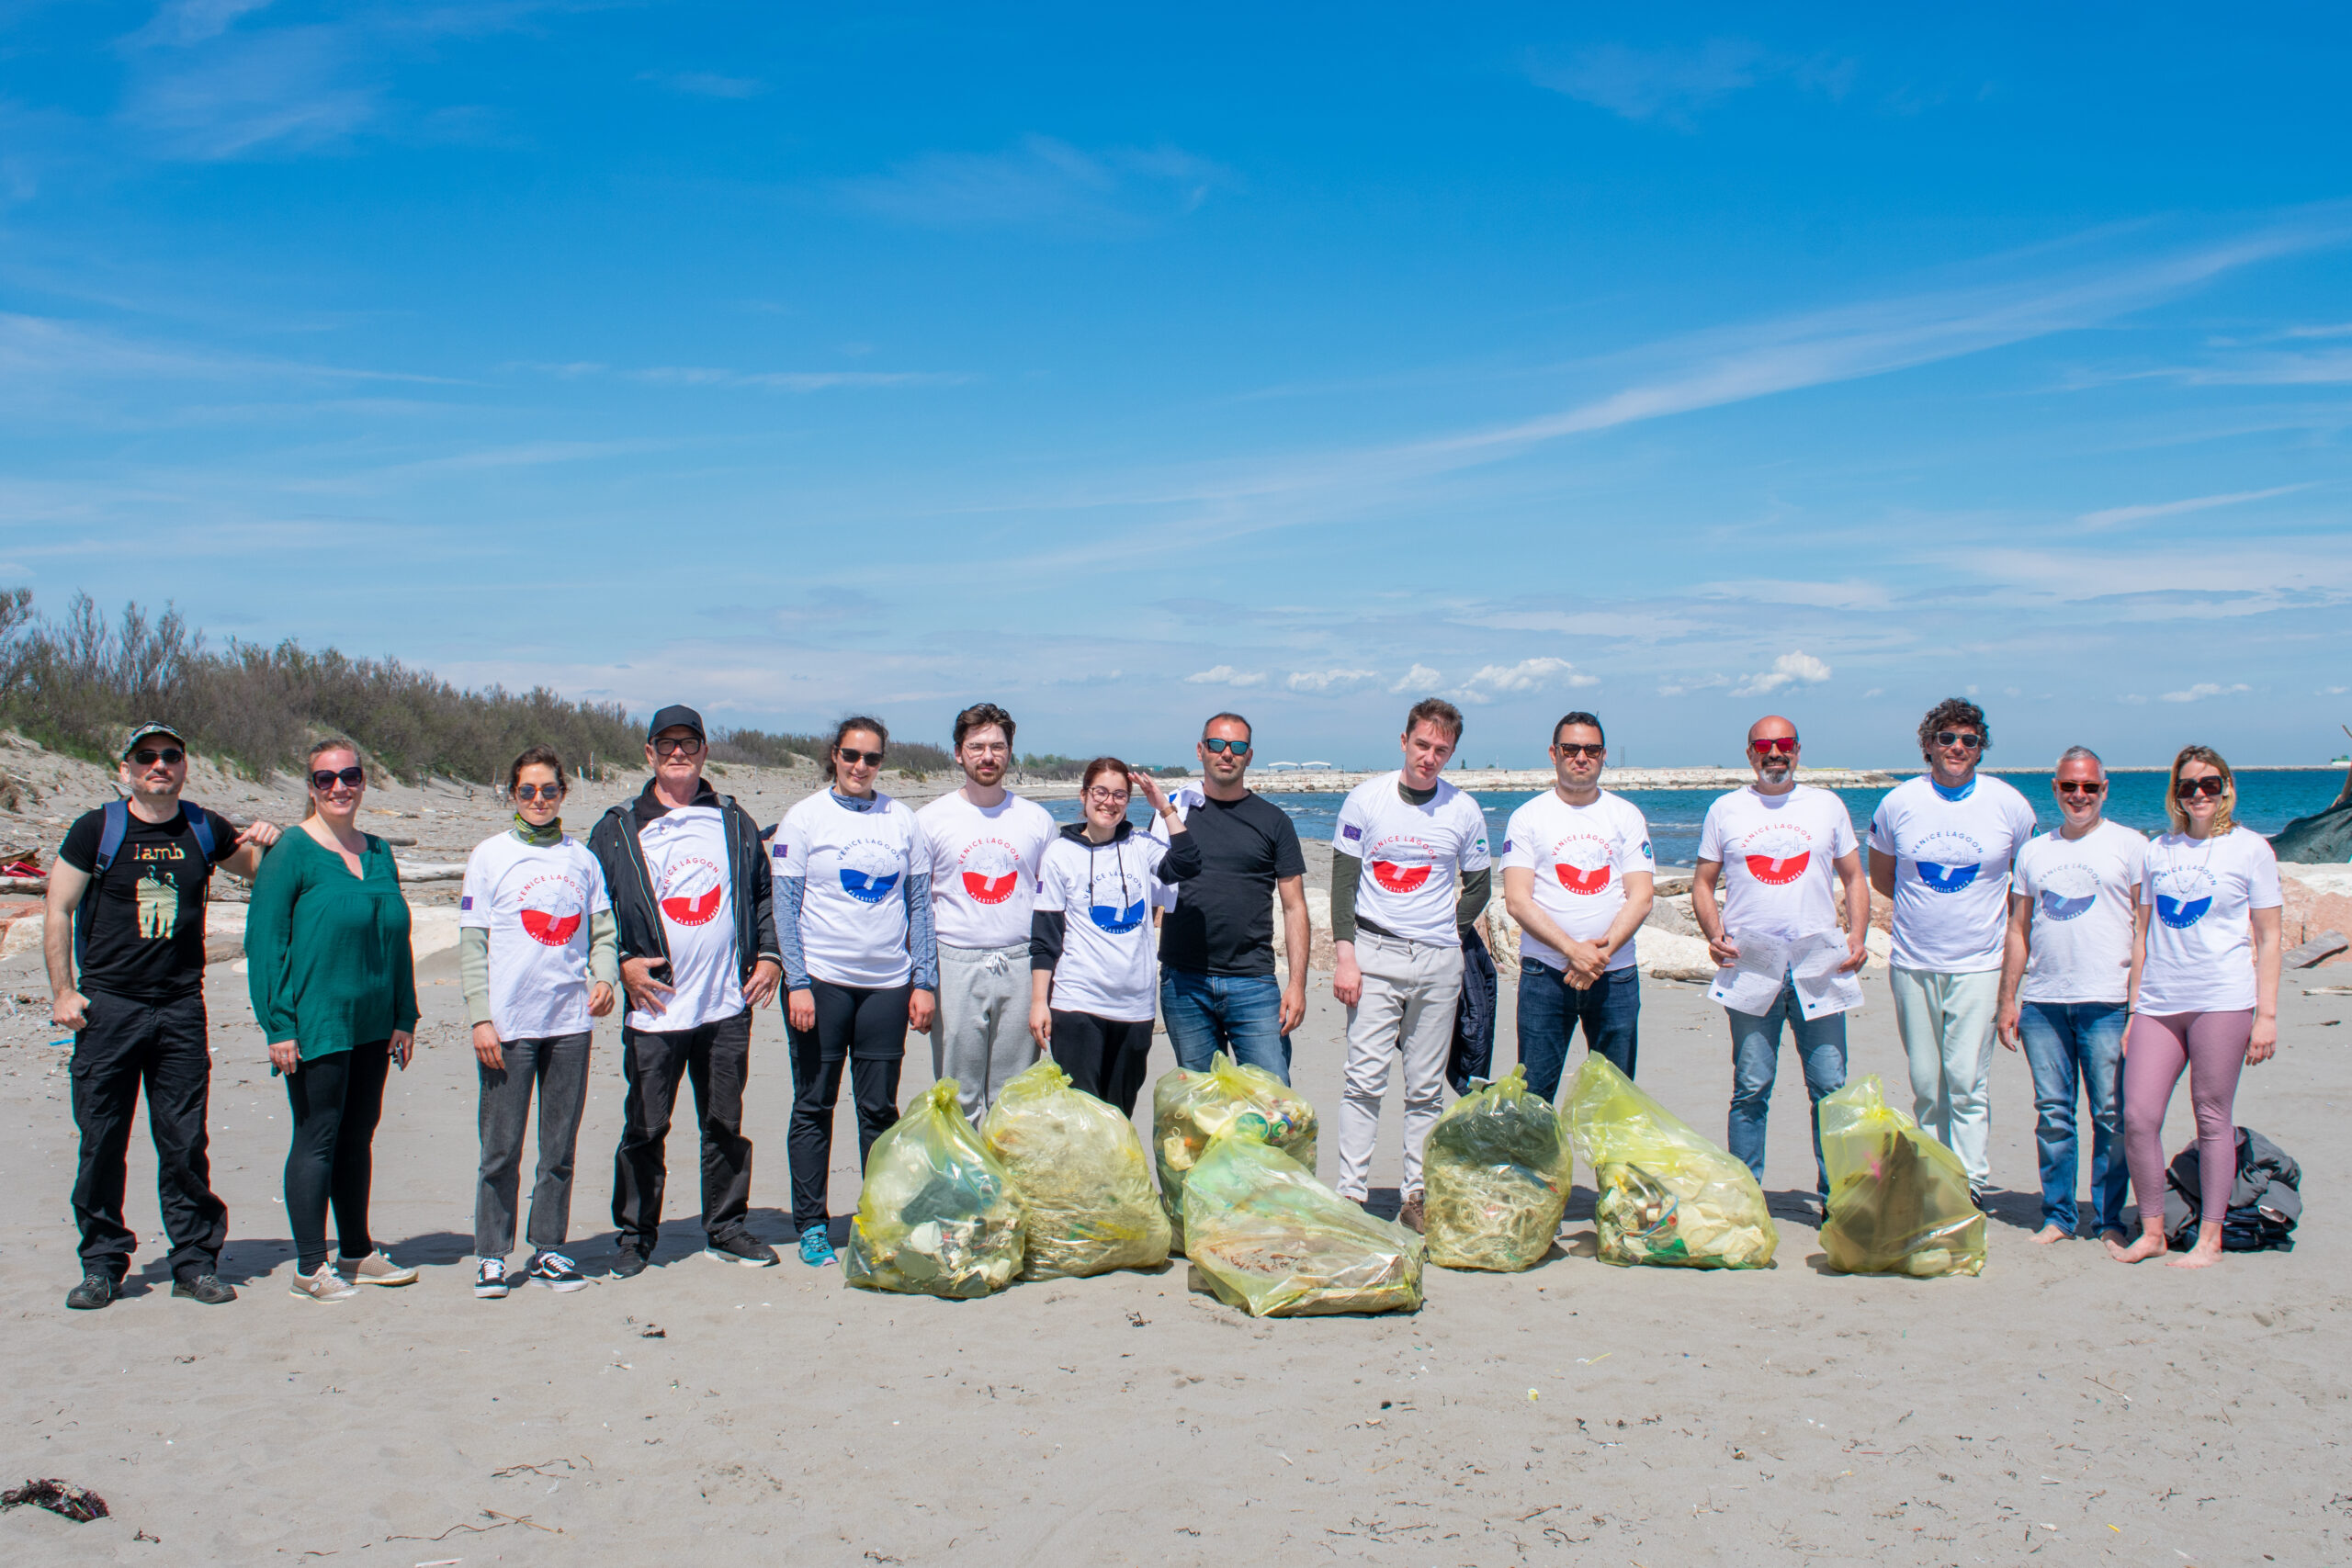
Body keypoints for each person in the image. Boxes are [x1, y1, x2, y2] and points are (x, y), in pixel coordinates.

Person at [46, 721, 281, 1311]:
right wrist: (63, 993)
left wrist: (270, 840)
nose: (159, 765)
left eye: (170, 756)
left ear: (183, 767)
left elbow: (258, 871)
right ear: (126, 768)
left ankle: (194, 1261)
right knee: (101, 1140)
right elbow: (58, 908)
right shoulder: (97, 829)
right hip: (109, 1008)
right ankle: (102, 1263)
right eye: (146, 756)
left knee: (183, 1141)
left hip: (180, 1006)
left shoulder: (203, 827)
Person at [587, 705, 784, 1278]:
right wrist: (621, 964)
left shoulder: (732, 819)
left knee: (724, 1121)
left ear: (704, 751)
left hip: (725, 1003)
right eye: (666, 744)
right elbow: (593, 909)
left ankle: (725, 1226)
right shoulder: (620, 826)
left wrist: (769, 956)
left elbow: (763, 895)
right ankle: (635, 1235)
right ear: (648, 754)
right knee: (646, 1126)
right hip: (656, 1006)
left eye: (689, 743)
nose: (679, 753)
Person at [245, 739, 422, 1303]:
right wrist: (278, 1026)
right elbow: (265, 943)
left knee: (358, 1135)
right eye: (326, 779)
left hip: (375, 1021)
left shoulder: (378, 851)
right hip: (316, 1022)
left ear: (364, 781)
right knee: (318, 1135)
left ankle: (357, 1251)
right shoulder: (292, 852)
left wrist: (404, 1014)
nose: (340, 787)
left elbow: (396, 938)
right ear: (311, 787)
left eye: (349, 776)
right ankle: (308, 1266)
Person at [2111, 746, 2282, 1269]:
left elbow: (2270, 937)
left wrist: (2266, 1016)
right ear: (2176, 793)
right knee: (2138, 1116)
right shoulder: (2156, 850)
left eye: (2210, 784)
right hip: (2160, 1003)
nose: (2200, 794)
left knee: (2212, 1117)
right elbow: (2142, 933)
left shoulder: (2251, 849)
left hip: (2223, 1000)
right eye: (2188, 786)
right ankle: (2154, 1230)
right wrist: (2134, 1008)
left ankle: (2211, 1236)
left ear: (2227, 786)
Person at [460, 746, 621, 1299]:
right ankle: (490, 1255)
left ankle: (550, 1247)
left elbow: (603, 932)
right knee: (500, 1147)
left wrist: (605, 979)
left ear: (562, 794)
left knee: (559, 1146)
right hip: (508, 1025)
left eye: (548, 790)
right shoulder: (489, 856)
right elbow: (473, 943)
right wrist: (481, 1018)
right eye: (527, 790)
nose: (537, 800)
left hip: (569, 1023)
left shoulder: (583, 859)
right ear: (512, 793)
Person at [776, 716, 937, 1268]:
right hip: (821, 984)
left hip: (887, 986)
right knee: (814, 1104)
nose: (860, 767)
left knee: (877, 1109)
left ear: (881, 762)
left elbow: (919, 905)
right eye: (851, 755)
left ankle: (878, 1217)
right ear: (834, 756)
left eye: (871, 758)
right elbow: (784, 910)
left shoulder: (902, 820)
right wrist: (796, 982)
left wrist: (925, 981)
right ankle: (812, 1224)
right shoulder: (803, 820)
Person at [1691, 716, 1870, 1208]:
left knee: (1830, 1086)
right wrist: (1714, 933)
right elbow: (1703, 883)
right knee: (1751, 1086)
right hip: (1751, 962)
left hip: (1819, 962)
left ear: (1798, 750)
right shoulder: (1725, 809)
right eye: (1764, 745)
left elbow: (1854, 877)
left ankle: (1839, 1200)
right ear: (1750, 753)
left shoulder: (1826, 805)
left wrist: (1857, 935)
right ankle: (1745, 1196)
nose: (1775, 753)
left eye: (1785, 744)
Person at [1868, 697, 2039, 1204]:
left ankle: (1970, 1183)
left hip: (1980, 964)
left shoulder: (2009, 805)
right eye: (1947, 738)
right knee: (1925, 1081)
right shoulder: (1898, 803)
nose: (1957, 747)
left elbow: (2023, 883)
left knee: (1966, 1081)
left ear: (1980, 749)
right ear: (1928, 745)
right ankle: (1931, 1175)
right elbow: (1883, 876)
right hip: (1913, 962)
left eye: (1969, 740)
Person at [1329, 699, 1490, 1232]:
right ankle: (1350, 1193)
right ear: (1404, 741)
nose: (1429, 757)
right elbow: (1343, 884)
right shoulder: (1365, 800)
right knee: (1364, 1080)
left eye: (1441, 750)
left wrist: (1448, 930)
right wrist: (1346, 955)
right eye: (1422, 745)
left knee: (1425, 1087)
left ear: (1451, 753)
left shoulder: (1463, 809)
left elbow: (1481, 884)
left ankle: (1415, 1193)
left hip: (1438, 962)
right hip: (1374, 955)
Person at [1996, 748, 2144, 1246]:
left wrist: (2137, 1006)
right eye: (2069, 787)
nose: (2079, 796)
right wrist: (2008, 1000)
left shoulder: (2130, 845)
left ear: (2104, 789)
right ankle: (2058, 1215)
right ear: (2055, 788)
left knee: (2110, 1114)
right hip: (2043, 1003)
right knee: (2054, 1113)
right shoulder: (2036, 851)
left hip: (2108, 1003)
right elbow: (2018, 929)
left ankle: (2107, 1218)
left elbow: (2145, 933)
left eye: (2089, 787)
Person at [1030, 758, 1199, 1115]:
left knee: (1119, 1114)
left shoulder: (1140, 844)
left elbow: (1187, 864)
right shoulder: (1060, 854)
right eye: (1101, 792)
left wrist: (1164, 807)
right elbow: (1045, 937)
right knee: (1082, 1116)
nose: (1109, 802)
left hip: (1134, 1007)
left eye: (1120, 795)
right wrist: (1038, 1002)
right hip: (1077, 1002)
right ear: (1084, 795)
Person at [1501, 711, 1654, 1098]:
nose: (1580, 757)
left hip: (1614, 975)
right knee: (1533, 1098)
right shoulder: (1528, 817)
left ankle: (1611, 1164)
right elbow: (1517, 900)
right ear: (1554, 753)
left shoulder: (1626, 815)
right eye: (1571, 748)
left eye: (1591, 749)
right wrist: (1573, 951)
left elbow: (1642, 895)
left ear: (1604, 756)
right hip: (1546, 975)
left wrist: (1598, 955)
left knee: (1615, 1101)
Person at [917, 703, 1056, 1119]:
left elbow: (1052, 904)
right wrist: (920, 979)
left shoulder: (1036, 820)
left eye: (997, 746)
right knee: (957, 1091)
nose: (988, 756)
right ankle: (964, 1180)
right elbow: (918, 905)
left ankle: (1008, 1180)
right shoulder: (930, 820)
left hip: (1020, 960)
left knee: (1013, 1095)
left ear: (1010, 752)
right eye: (976, 747)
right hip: (954, 963)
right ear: (958, 752)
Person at [1158, 713, 1310, 1082]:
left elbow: (1295, 906)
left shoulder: (1274, 822)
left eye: (1237, 746)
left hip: (1253, 982)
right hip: (1184, 983)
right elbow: (1148, 892)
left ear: (1249, 755)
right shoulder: (1174, 814)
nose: (1227, 753)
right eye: (1217, 744)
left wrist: (1298, 984)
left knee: (1272, 1102)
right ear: (1201, 750)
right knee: (1201, 1106)